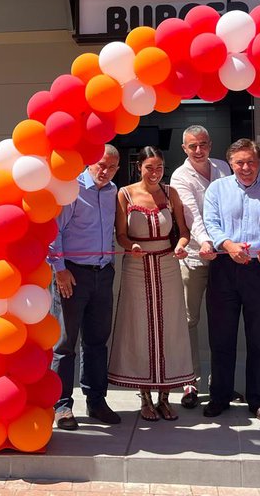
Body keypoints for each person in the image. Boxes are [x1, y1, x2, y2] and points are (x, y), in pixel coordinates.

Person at [202, 139, 260, 422]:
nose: (246, 168)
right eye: (239, 163)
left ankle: (258, 399)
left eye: (251, 162)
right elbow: (211, 222)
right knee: (221, 338)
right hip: (224, 267)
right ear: (231, 164)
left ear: (259, 162)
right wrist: (228, 245)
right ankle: (220, 396)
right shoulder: (217, 189)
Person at [109, 146, 196, 421]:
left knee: (170, 326)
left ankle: (165, 397)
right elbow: (120, 234)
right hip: (136, 265)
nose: (155, 172)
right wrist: (131, 245)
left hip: (167, 264)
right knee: (139, 327)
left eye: (159, 167)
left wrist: (182, 246)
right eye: (150, 167)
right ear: (139, 167)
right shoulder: (124, 194)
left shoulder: (171, 194)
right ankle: (144, 396)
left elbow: (183, 231)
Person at [49, 145, 123, 430]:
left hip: (103, 274)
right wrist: (60, 271)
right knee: (66, 343)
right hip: (73, 275)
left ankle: (96, 400)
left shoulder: (112, 191)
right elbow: (54, 231)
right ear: (90, 162)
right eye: (101, 165)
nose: (105, 171)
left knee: (96, 341)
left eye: (111, 167)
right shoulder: (72, 189)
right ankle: (62, 406)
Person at [169, 125, 231, 409]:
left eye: (203, 144)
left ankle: (221, 384)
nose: (198, 150)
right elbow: (192, 213)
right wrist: (207, 242)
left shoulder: (223, 168)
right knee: (189, 320)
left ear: (210, 144)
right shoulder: (180, 176)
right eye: (192, 146)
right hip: (196, 256)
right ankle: (189, 381)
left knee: (222, 322)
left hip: (224, 257)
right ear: (184, 148)